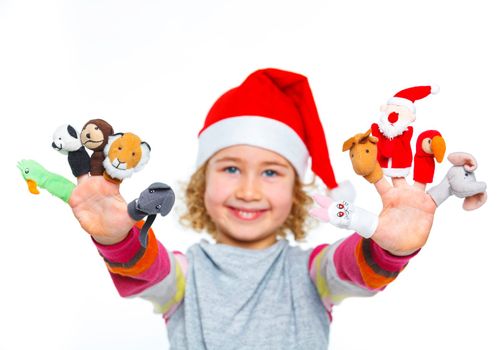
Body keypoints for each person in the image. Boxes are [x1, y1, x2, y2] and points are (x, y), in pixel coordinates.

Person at [68, 68, 436, 349]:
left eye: (271, 172)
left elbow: (356, 269)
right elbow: (147, 270)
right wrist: (119, 238)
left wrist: (389, 246)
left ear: (296, 192)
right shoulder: (182, 277)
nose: (248, 189)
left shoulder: (313, 274)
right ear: (201, 185)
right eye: (230, 168)